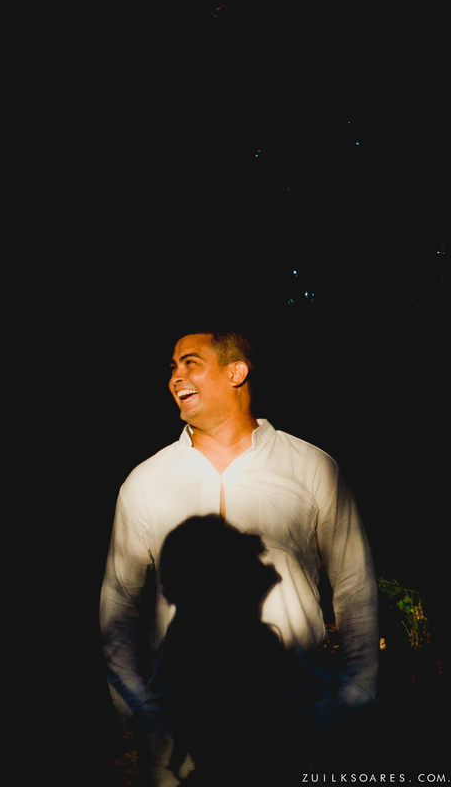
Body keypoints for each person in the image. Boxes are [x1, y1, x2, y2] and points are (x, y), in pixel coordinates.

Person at [100, 332, 377, 785]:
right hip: (180, 734)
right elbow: (118, 601)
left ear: (236, 372)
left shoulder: (312, 467)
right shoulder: (146, 481)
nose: (176, 377)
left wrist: (354, 697)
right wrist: (138, 710)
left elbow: (355, 585)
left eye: (190, 363)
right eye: (172, 367)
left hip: (297, 726)